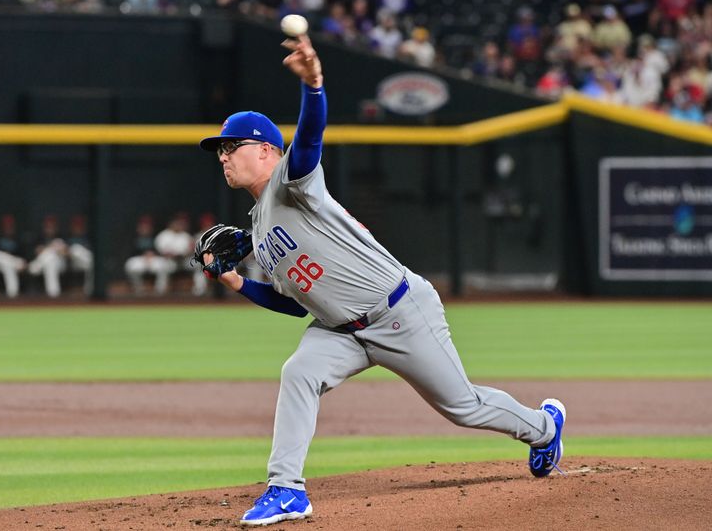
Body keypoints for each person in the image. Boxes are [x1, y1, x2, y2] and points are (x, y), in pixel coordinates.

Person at [198, 34, 566, 527]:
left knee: (463, 407)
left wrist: (313, 86)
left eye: (230, 145)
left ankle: (544, 428)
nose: (222, 155)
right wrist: (236, 284)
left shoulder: (292, 181)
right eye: (218, 149)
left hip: (398, 312)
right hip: (339, 331)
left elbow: (309, 139)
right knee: (299, 373)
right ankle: (286, 490)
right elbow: (296, 305)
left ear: (266, 151)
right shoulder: (260, 230)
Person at [124, 214, 176, 295]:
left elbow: (160, 250)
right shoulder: (133, 237)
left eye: (147, 226)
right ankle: (139, 290)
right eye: (143, 226)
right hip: (139, 260)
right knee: (130, 266)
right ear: (139, 227)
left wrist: (152, 255)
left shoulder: (156, 236)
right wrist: (144, 255)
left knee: (165, 266)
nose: (145, 228)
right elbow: (130, 253)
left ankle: (160, 291)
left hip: (154, 259)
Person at [0, 214, 27, 298]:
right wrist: (6, 256)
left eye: (10, 226)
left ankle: (12, 296)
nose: (8, 228)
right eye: (6, 225)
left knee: (8, 266)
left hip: (12, 264)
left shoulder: (18, 239)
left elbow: (24, 259)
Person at [28, 215, 68, 298]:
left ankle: (36, 266)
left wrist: (52, 248)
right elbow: (37, 251)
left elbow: (66, 253)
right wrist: (51, 247)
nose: (49, 229)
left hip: (60, 264)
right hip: (46, 264)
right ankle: (53, 294)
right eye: (47, 226)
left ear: (56, 227)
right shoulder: (39, 238)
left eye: (51, 226)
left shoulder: (61, 237)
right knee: (50, 259)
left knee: (52, 253)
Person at [65, 214, 93, 295]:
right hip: (72, 262)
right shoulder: (68, 237)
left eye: (79, 226)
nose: (77, 228)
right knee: (75, 248)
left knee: (92, 263)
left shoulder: (87, 237)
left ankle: (89, 291)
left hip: (85, 262)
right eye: (76, 226)